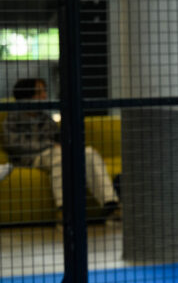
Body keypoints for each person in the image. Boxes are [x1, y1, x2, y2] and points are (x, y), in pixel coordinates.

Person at [1, 78, 120, 223]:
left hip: (56, 153)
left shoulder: (45, 118)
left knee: (89, 153)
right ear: (27, 96)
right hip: (31, 158)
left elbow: (60, 138)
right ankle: (64, 210)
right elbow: (13, 144)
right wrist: (49, 145)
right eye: (39, 92)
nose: (44, 96)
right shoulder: (12, 119)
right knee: (60, 158)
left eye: (44, 91)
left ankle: (110, 204)